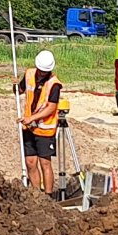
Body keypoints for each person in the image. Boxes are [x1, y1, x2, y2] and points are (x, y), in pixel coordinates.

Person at [17, 49, 70, 195]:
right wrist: (15, 86)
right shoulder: (29, 74)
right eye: (40, 70)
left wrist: (32, 118)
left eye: (44, 71)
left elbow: (51, 108)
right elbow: (20, 90)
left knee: (45, 163)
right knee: (30, 162)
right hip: (28, 127)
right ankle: (36, 194)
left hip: (44, 129)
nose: (41, 73)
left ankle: (48, 196)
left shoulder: (54, 84)